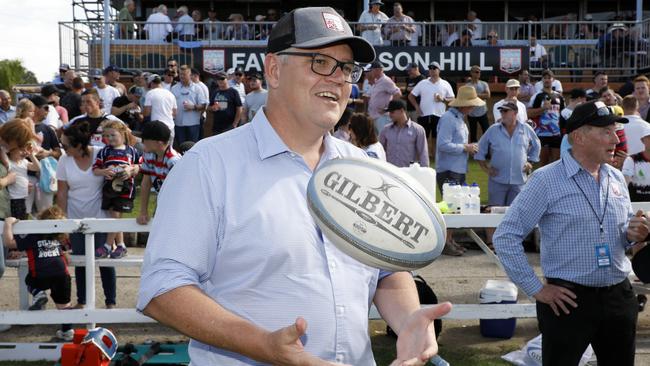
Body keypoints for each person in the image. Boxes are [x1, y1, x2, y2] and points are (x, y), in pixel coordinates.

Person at [137, 7, 450, 365]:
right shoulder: (208, 165)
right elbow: (162, 288)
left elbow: (387, 270)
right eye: (320, 61)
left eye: (346, 69)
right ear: (274, 70)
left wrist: (408, 319)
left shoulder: (363, 167)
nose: (337, 79)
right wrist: (263, 346)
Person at [493, 101, 646, 366]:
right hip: (567, 301)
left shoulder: (616, 177)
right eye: (606, 132)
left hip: (618, 296)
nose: (615, 139)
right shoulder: (546, 180)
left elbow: (620, 235)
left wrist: (634, 234)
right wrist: (536, 289)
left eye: (615, 131)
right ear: (579, 136)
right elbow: (506, 236)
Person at [56, 121, 116, 310]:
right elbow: (62, 193)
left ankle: (110, 304)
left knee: (104, 262)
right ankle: (82, 301)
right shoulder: (63, 160)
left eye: (65, 145)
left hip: (101, 217)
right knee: (80, 262)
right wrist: (62, 222)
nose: (62, 148)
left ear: (79, 145)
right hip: (75, 219)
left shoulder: (101, 153)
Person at [2, 207, 74, 340]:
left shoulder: (33, 233)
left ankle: (38, 293)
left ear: (40, 220)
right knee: (64, 304)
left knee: (29, 281)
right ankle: (67, 331)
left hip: (40, 273)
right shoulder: (57, 237)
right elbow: (64, 250)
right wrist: (63, 253)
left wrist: (8, 223)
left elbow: (9, 242)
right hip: (61, 274)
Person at [475, 101, 540, 246]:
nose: (502, 114)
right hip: (498, 179)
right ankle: (491, 243)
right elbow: (479, 149)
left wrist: (531, 162)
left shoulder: (526, 129)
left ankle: (511, 243)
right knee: (492, 211)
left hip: (519, 180)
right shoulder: (493, 130)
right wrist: (486, 169)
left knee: (515, 214)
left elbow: (537, 146)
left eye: (506, 111)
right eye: (501, 111)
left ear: (515, 113)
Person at [92, 120, 141, 259]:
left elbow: (141, 165)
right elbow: (95, 169)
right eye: (107, 136)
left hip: (125, 188)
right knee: (114, 216)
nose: (110, 138)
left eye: (113, 135)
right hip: (109, 188)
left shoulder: (131, 151)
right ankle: (120, 245)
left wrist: (131, 169)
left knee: (116, 215)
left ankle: (108, 246)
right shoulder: (105, 151)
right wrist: (104, 171)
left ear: (123, 133)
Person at [136, 121, 180, 226]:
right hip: (162, 200)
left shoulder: (173, 161)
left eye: (145, 139)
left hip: (177, 203)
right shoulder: (149, 155)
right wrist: (143, 211)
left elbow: (180, 189)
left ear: (158, 142)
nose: (142, 142)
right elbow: (145, 184)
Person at [408, 61, 454, 160]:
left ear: (439, 70)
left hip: (439, 115)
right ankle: (422, 156)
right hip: (424, 114)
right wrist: (417, 107)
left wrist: (443, 99)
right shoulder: (423, 83)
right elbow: (411, 96)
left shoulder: (445, 84)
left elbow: (452, 99)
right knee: (422, 137)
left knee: (436, 136)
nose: (432, 70)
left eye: (434, 68)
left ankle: (435, 156)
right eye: (430, 68)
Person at [528, 69, 565, 166]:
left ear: (553, 80)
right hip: (542, 133)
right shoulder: (537, 96)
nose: (547, 80)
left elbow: (562, 113)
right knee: (543, 164)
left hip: (556, 134)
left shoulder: (559, 97)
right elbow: (529, 113)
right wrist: (543, 109)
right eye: (545, 78)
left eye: (549, 78)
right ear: (542, 80)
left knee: (557, 163)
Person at [379, 99, 428, 167]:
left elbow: (423, 154)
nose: (390, 115)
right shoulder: (385, 130)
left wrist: (424, 171)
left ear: (402, 111)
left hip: (409, 173)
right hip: (390, 172)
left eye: (392, 112)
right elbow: (380, 150)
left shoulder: (418, 130)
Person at [171, 65, 207, 145]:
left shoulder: (197, 88)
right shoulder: (174, 88)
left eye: (184, 74)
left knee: (193, 147)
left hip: (193, 123)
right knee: (181, 147)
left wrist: (193, 107)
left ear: (190, 75)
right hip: (178, 123)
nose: (182, 76)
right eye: (180, 74)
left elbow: (204, 106)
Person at [366, 61, 401, 134]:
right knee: (378, 141)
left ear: (377, 70)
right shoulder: (377, 81)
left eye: (371, 70)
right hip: (375, 116)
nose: (371, 72)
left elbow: (398, 93)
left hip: (383, 117)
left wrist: (388, 109)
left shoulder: (386, 80)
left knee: (384, 140)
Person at [208, 71, 242, 135]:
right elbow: (209, 107)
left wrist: (235, 124)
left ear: (227, 79)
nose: (220, 81)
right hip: (217, 127)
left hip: (230, 126)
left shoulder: (233, 92)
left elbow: (239, 108)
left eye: (222, 79)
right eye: (218, 79)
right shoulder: (215, 92)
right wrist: (213, 108)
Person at [622, 124, 650, 201]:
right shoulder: (632, 159)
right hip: (637, 205)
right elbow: (625, 181)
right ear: (642, 140)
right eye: (649, 137)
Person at [466, 65, 491, 143]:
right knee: (473, 134)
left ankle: (487, 151)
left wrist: (475, 95)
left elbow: (488, 95)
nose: (478, 73)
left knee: (486, 132)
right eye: (477, 72)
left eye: (479, 72)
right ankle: (474, 152)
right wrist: (481, 95)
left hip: (483, 112)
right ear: (472, 73)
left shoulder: (484, 84)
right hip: (471, 113)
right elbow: (468, 98)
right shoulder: (467, 86)